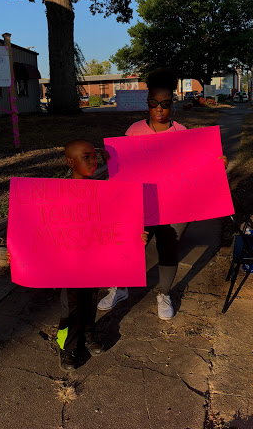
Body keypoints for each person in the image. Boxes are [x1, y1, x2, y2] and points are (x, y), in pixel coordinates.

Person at [97, 68, 228, 320]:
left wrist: (215, 163)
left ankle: (164, 292)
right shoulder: (133, 130)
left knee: (169, 248)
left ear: (173, 105)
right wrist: (111, 158)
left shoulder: (181, 132)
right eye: (154, 103)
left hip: (174, 205)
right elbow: (122, 165)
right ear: (147, 104)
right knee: (129, 245)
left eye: (165, 104)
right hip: (140, 203)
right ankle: (119, 288)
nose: (159, 108)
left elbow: (194, 166)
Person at [58, 139, 148, 371]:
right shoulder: (56, 193)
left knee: (90, 299)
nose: (92, 161)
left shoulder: (102, 190)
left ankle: (88, 333)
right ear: (70, 162)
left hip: (93, 259)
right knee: (71, 306)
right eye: (85, 157)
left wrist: (135, 236)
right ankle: (67, 346)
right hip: (69, 262)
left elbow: (116, 221)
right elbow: (40, 226)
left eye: (94, 156)